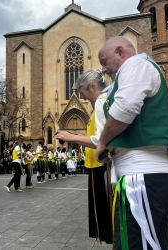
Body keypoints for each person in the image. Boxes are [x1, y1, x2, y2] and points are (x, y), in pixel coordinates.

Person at [95, 36, 168, 250]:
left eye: (105, 61)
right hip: (143, 177)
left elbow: (125, 109)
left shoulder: (136, 64)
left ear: (120, 52)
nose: (103, 69)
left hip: (142, 178)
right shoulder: (133, 71)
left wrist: (103, 143)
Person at [56, 69, 113, 244]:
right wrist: (80, 138)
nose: (84, 98)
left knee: (107, 214)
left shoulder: (102, 104)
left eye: (84, 94)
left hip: (101, 165)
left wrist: (71, 137)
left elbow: (101, 139)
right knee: (102, 214)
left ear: (93, 86)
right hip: (94, 165)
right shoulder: (98, 108)